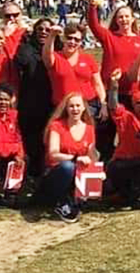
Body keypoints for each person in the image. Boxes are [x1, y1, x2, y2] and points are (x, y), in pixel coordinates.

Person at [40, 92, 98, 222]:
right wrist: (75, 158)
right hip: (56, 173)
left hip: (78, 175)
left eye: (78, 105)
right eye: (71, 106)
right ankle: (62, 202)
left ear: (84, 108)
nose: (75, 109)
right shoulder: (57, 126)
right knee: (68, 167)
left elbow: (92, 154)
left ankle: (77, 199)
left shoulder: (89, 129)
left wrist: (97, 169)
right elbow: (53, 154)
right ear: (66, 108)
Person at [107, 70, 140, 209]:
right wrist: (114, 86)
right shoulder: (126, 117)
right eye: (139, 103)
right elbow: (113, 105)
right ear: (133, 105)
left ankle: (134, 198)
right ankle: (125, 197)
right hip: (122, 163)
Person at [43, 23, 107, 123]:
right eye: (69, 38)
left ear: (81, 42)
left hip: (88, 106)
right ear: (64, 38)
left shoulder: (88, 59)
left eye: (77, 40)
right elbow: (47, 54)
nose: (72, 42)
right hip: (62, 107)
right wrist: (52, 36)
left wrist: (103, 104)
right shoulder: (55, 58)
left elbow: (98, 84)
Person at [15, 19, 55, 176]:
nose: (44, 32)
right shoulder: (27, 48)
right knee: (31, 139)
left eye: (48, 29)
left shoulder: (57, 49)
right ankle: (30, 172)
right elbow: (20, 61)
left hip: (51, 100)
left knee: (48, 138)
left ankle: (46, 171)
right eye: (40, 29)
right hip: (30, 101)